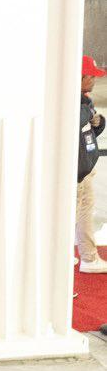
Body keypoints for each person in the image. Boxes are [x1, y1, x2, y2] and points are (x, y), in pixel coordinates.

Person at [77, 55, 107, 274]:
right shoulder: (73, 104)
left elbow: (88, 135)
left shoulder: (85, 102)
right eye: (91, 76)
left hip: (86, 169)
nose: (94, 80)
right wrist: (88, 113)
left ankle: (89, 257)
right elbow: (74, 121)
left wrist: (98, 123)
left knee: (86, 211)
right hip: (74, 173)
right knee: (71, 214)